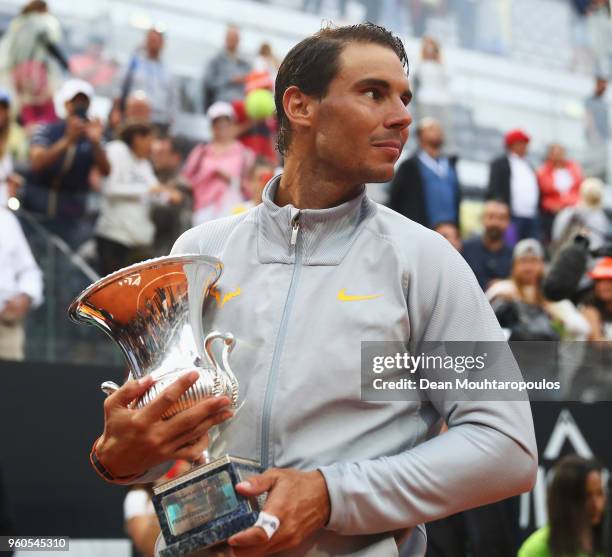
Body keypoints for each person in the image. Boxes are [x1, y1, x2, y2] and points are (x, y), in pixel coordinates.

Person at [91, 24, 537, 557]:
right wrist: (116, 457)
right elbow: (149, 434)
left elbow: (505, 446)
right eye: (374, 93)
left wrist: (333, 495)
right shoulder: (199, 251)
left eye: (404, 97)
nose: (402, 115)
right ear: (299, 106)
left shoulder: (424, 262)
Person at [22, 79, 111, 249]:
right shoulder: (47, 129)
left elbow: (105, 171)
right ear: (66, 104)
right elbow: (37, 163)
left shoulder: (93, 137)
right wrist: (67, 140)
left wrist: (96, 143)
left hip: (70, 218)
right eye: (75, 102)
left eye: (84, 102)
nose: (79, 106)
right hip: (36, 215)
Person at [95, 120, 166, 276]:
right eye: (150, 140)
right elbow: (110, 188)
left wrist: (167, 195)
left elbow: (158, 193)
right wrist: (146, 190)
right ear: (137, 138)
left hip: (137, 242)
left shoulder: (144, 163)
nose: (152, 146)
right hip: (114, 236)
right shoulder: (116, 151)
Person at [486, 239, 590, 341]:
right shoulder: (501, 289)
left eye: (533, 261)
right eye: (523, 261)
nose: (528, 267)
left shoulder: (550, 295)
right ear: (514, 265)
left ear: (542, 265)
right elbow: (480, 320)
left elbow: (583, 328)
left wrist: (553, 313)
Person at [182, 101, 255, 225]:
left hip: (234, 212)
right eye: (217, 124)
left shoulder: (245, 154)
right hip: (203, 211)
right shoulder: (201, 152)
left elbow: (252, 188)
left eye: (226, 124)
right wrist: (204, 179)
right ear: (211, 127)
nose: (221, 128)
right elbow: (186, 179)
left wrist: (231, 180)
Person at [518, 455, 606, 557]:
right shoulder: (536, 550)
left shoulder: (605, 542)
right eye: (586, 497)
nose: (597, 505)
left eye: (600, 493)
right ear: (565, 501)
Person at [0, 0, 68, 128]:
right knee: (41, 104)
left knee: (22, 105)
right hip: (34, 70)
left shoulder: (18, 23)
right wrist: (64, 63)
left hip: (17, 71)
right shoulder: (42, 22)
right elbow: (50, 44)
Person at [389, 117, 461, 230]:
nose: (437, 131)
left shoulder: (450, 164)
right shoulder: (409, 166)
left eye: (439, 129)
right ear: (420, 135)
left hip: (449, 230)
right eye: (431, 128)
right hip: (419, 228)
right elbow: (395, 198)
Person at [0, 206, 43, 361]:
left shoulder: (6, 219)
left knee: (11, 382)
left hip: (6, 323)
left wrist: (26, 296)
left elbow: (29, 270)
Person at [117, 28, 178, 134]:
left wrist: (171, 121)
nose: (154, 43)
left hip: (158, 120)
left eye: (158, 40)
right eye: (152, 39)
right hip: (133, 118)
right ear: (146, 41)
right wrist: (117, 111)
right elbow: (119, 89)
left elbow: (173, 100)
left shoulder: (168, 71)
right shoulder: (133, 64)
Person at [487, 129, 540, 243]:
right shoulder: (500, 163)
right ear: (513, 145)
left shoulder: (528, 165)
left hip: (530, 215)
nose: (525, 147)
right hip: (512, 216)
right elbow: (494, 188)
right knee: (510, 245)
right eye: (522, 144)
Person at [412, 37, 454, 153]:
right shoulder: (420, 64)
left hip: (441, 101)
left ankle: (441, 152)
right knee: (426, 127)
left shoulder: (442, 66)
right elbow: (415, 77)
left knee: (442, 129)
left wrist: (439, 60)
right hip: (425, 100)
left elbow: (448, 78)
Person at [462, 200, 513, 291]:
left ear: (508, 222)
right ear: (482, 219)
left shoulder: (513, 255)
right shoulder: (465, 249)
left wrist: (502, 285)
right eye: (491, 217)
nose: (495, 222)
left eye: (501, 218)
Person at [537, 144, 583, 243]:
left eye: (560, 153)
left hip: (574, 210)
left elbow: (579, 187)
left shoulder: (573, 168)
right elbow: (545, 189)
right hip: (554, 212)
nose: (557, 156)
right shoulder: (544, 171)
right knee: (557, 239)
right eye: (554, 153)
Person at [552, 177, 610, 254]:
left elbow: (556, 237)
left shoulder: (567, 213)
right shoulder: (601, 217)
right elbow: (598, 246)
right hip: (591, 261)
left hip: (566, 258)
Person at [203, 25, 251, 108]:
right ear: (225, 39)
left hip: (241, 106)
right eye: (230, 38)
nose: (232, 41)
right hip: (222, 105)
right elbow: (208, 82)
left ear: (238, 40)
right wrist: (230, 80)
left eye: (235, 38)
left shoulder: (246, 63)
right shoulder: (216, 60)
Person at [581, 257, 612, 342]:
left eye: (609, 280)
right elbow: (597, 342)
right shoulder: (590, 310)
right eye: (600, 281)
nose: (604, 286)